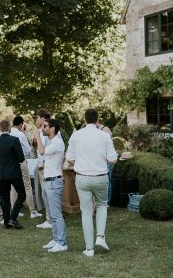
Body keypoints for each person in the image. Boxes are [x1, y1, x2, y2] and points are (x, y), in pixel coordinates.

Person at [68, 108, 117, 257]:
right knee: (102, 205)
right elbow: (113, 159)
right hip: (100, 177)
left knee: (86, 212)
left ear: (84, 119)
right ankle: (100, 237)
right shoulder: (104, 136)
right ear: (97, 120)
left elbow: (69, 158)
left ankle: (89, 249)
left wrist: (81, 161)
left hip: (82, 177)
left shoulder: (76, 135)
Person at [34, 119, 67, 252]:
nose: (43, 128)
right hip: (48, 181)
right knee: (52, 214)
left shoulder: (58, 143)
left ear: (52, 129)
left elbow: (41, 151)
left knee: (56, 214)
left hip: (54, 182)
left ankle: (62, 243)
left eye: (45, 126)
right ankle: (56, 239)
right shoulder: (52, 142)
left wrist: (37, 137)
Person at [0, 119, 26, 229]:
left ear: (0, 128)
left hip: (2, 173)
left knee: (4, 197)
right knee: (22, 194)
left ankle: (7, 222)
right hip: (14, 172)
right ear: (9, 127)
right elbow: (21, 158)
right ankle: (12, 217)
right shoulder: (14, 140)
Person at [10, 116, 42, 219]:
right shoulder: (20, 134)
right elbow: (28, 150)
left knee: (13, 187)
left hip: (12, 163)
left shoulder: (9, 133)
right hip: (21, 162)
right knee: (27, 186)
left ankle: (16, 210)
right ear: (21, 124)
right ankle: (32, 211)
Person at [34, 109, 52, 229]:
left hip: (45, 166)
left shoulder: (45, 131)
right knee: (45, 194)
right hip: (42, 165)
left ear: (42, 119)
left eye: (37, 117)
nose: (36, 120)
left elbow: (45, 150)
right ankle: (49, 217)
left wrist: (42, 164)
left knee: (47, 193)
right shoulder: (42, 130)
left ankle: (50, 220)